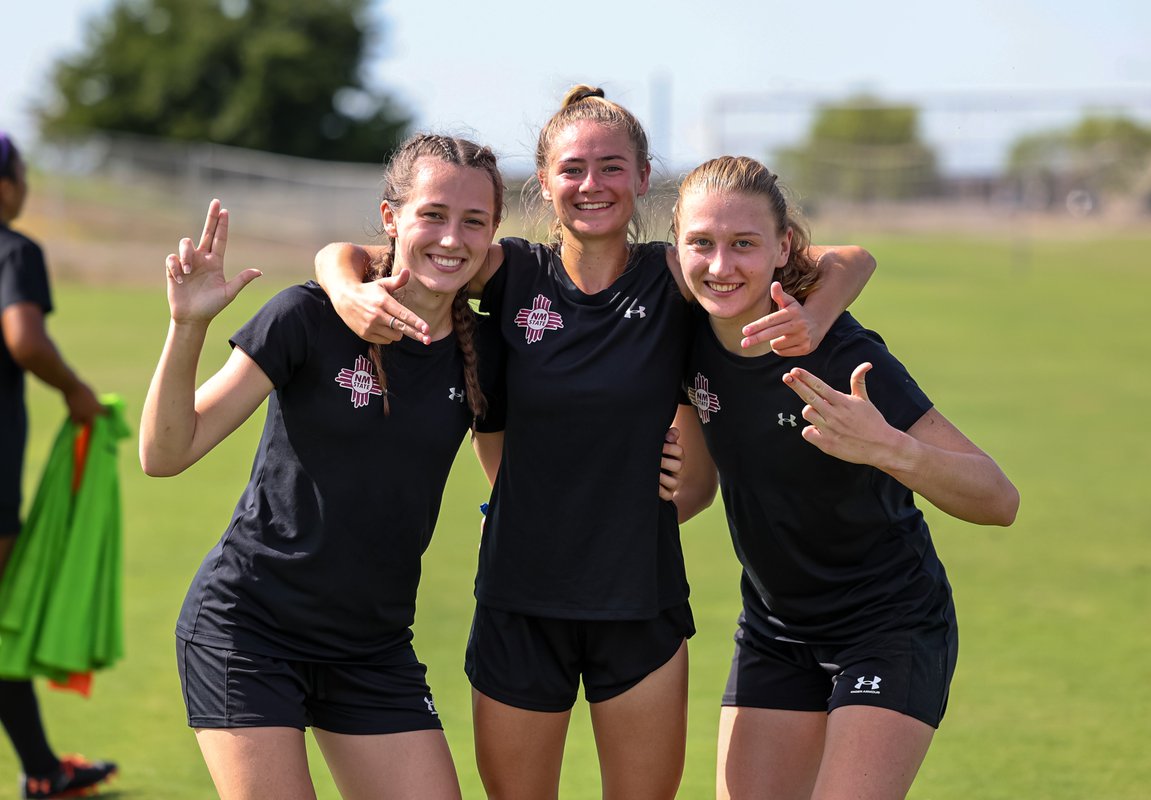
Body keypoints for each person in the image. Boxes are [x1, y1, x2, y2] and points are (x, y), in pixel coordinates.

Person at [315, 88, 877, 799]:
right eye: (573, 169)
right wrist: (342, 289)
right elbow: (354, 253)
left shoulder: (678, 274)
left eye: (611, 168)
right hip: (520, 602)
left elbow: (848, 259)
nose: (592, 186)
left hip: (640, 603)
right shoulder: (509, 269)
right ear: (544, 182)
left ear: (643, 178)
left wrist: (816, 319)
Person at [139, 134, 509, 800]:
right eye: (433, 214)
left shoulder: (486, 347)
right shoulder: (306, 316)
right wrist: (187, 325)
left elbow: (518, 468)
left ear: (493, 235)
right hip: (248, 630)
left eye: (473, 221)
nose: (451, 237)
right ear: (392, 219)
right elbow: (166, 453)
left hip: (371, 646)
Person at [672, 155, 1020, 800]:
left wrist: (890, 449)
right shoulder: (682, 331)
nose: (721, 266)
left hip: (888, 626)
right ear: (677, 246)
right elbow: (695, 485)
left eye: (745, 244)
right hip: (775, 632)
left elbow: (999, 499)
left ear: (784, 248)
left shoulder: (842, 354)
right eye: (702, 243)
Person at [0, 133, 119, 799]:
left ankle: (44, 770)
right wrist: (75, 390)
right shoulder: (13, 250)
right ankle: (44, 771)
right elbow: (23, 336)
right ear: (5, 185)